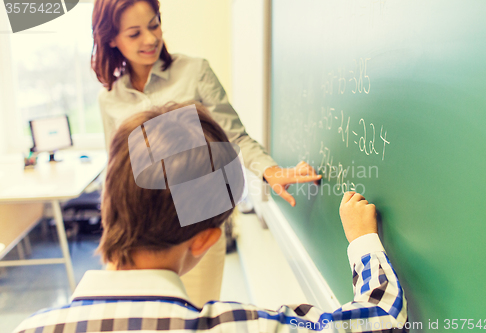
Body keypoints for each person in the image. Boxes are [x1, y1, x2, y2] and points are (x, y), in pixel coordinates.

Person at [14, 103, 408, 333]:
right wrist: (361, 240)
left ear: (108, 204)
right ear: (205, 239)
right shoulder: (237, 326)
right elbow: (381, 318)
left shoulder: (27, 328)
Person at [91, 0, 321, 307]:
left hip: (197, 225)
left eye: (154, 24)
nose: (150, 39)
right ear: (111, 39)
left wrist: (270, 171)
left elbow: (234, 135)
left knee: (195, 315)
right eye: (134, 33)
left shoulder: (194, 71)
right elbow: (117, 171)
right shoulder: (109, 98)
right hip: (139, 232)